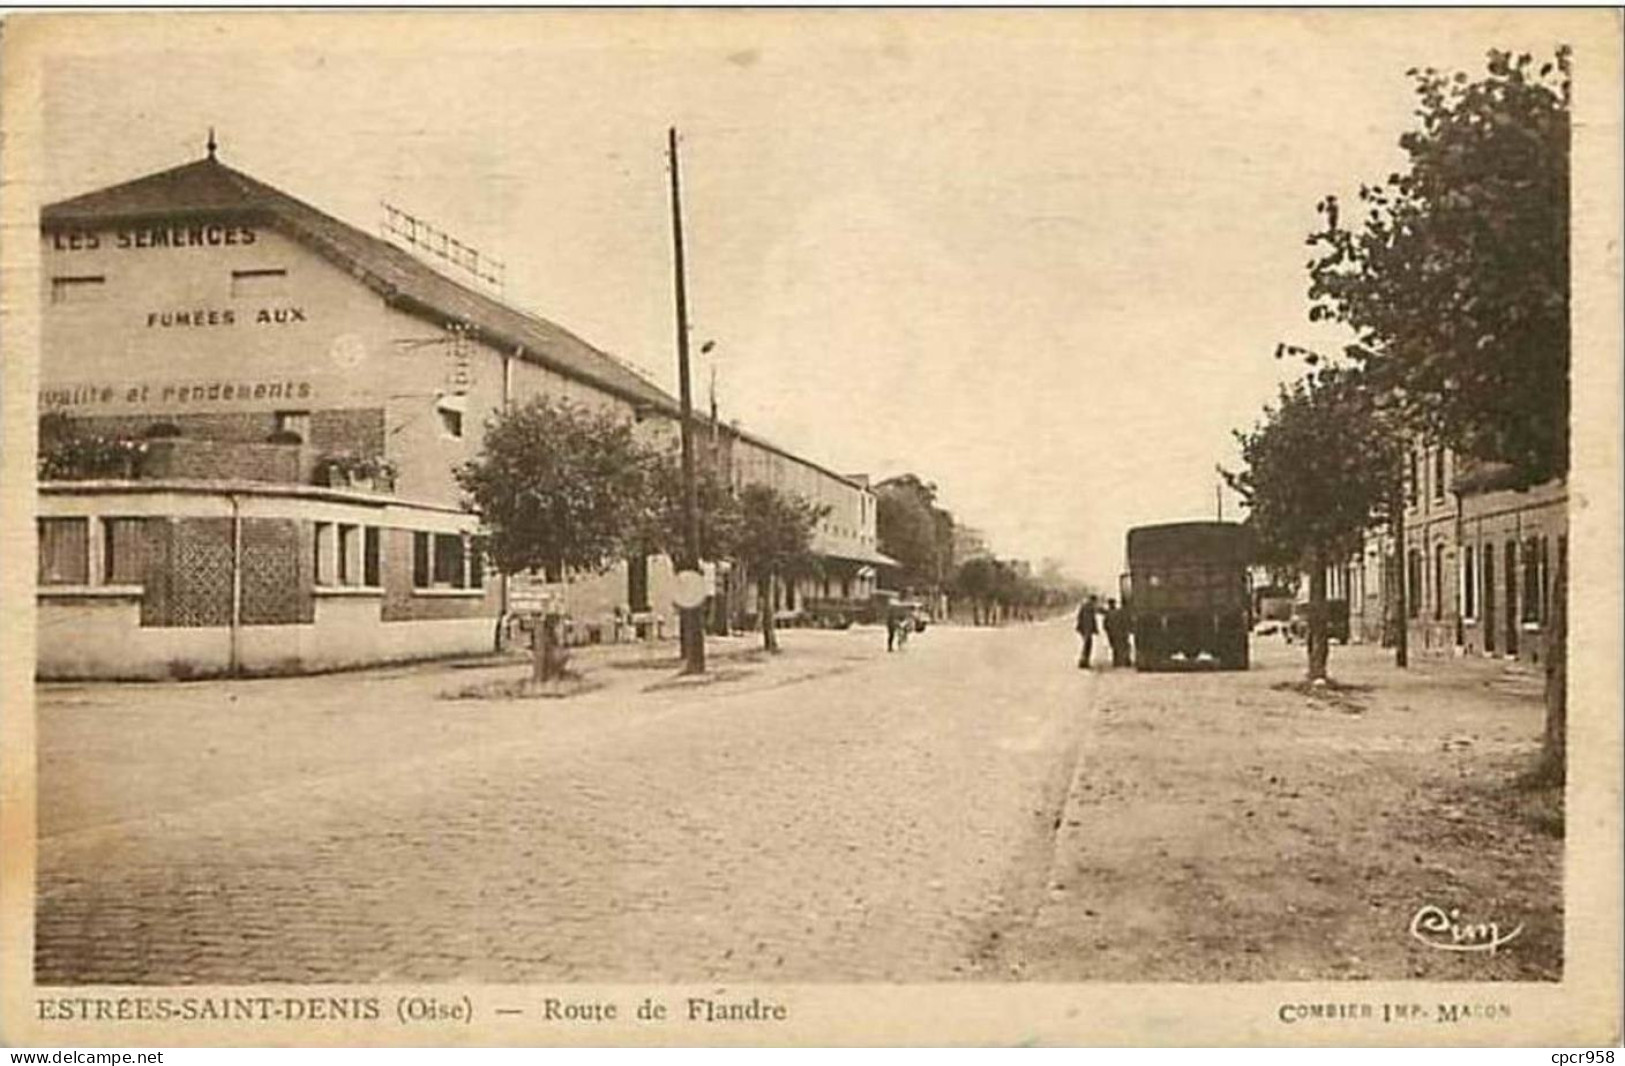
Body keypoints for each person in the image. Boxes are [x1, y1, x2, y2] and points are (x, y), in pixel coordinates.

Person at [1104, 598, 1131, 667]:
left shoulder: (1109, 613)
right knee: (1124, 646)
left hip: (1112, 633)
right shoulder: (1119, 612)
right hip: (1120, 632)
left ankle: (1116, 661)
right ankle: (1125, 661)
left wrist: (1108, 631)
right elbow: (1124, 622)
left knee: (1115, 647)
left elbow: (1105, 625)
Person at [1075, 595, 1099, 669]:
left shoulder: (1084, 605)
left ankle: (1084, 661)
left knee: (1086, 645)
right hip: (1087, 629)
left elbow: (1079, 617)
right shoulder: (1089, 606)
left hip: (1083, 628)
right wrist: (1094, 629)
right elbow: (1092, 619)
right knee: (1087, 645)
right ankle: (1083, 662)